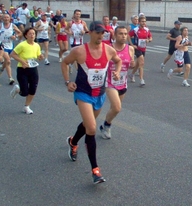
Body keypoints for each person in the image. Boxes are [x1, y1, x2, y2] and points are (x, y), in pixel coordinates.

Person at [62, 21, 122, 184]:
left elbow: (118, 61)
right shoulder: (79, 51)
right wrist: (68, 82)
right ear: (90, 33)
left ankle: (73, 141)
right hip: (83, 93)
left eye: (103, 33)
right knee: (92, 128)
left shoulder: (108, 50)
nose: (101, 36)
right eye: (98, 33)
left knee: (88, 125)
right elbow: (65, 62)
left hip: (99, 94)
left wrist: (116, 72)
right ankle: (95, 170)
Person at [100, 26, 134, 139]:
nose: (123, 36)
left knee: (114, 109)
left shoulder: (130, 49)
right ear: (114, 35)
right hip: (110, 82)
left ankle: (105, 125)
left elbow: (131, 65)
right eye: (120, 34)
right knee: (117, 107)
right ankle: (107, 126)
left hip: (123, 83)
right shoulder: (108, 48)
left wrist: (135, 64)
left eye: (125, 34)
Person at [10, 27, 44, 114]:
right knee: (25, 92)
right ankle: (18, 89)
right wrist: (22, 61)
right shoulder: (22, 45)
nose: (32, 35)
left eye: (33, 34)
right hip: (22, 69)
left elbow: (38, 56)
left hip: (33, 69)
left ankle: (27, 106)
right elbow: (13, 54)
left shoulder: (37, 45)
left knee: (33, 88)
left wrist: (40, 57)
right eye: (30, 34)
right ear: (26, 35)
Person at [0, 13, 22, 84]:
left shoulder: (13, 26)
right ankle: (10, 78)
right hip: (2, 46)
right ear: (2, 19)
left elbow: (20, 33)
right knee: (8, 61)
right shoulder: (0, 26)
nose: (6, 19)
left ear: (10, 19)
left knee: (6, 62)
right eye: (5, 18)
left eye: (7, 17)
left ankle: (1, 68)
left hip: (10, 45)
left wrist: (15, 36)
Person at [128, 15, 152, 86]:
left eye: (144, 21)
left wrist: (149, 40)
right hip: (137, 48)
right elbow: (128, 35)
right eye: (142, 21)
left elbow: (150, 37)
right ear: (139, 22)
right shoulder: (135, 30)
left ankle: (132, 74)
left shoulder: (147, 30)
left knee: (138, 63)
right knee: (142, 62)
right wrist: (132, 45)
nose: (144, 23)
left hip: (143, 48)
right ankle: (142, 80)